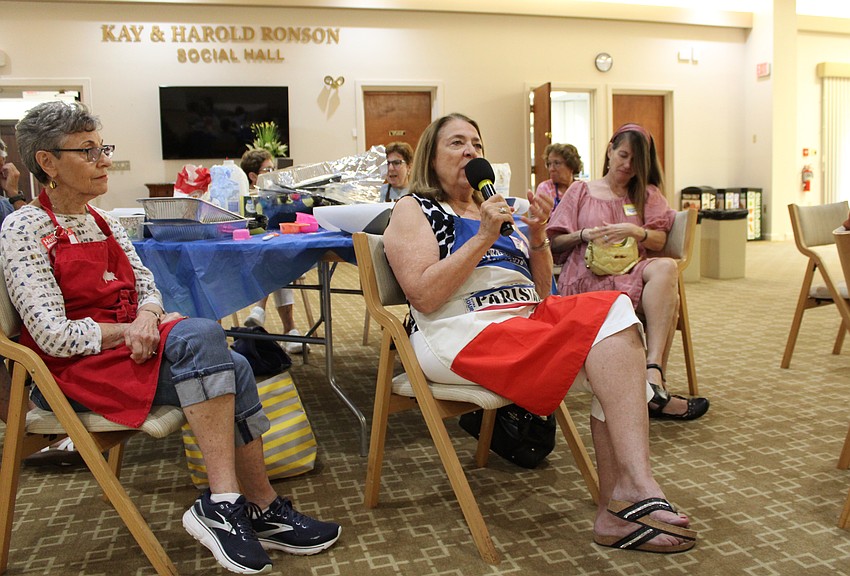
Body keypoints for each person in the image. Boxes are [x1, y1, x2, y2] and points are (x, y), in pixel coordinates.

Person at [2, 101, 340, 574]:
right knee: (204, 335)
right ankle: (226, 504)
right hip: (68, 374)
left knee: (235, 364)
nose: (103, 160)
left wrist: (149, 316)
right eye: (88, 151)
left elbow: (147, 286)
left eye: (104, 148)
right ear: (47, 162)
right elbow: (53, 336)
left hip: (123, 354)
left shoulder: (103, 222)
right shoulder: (24, 228)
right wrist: (135, 327)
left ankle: (257, 505)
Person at [383, 113, 696, 554]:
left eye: (476, 142)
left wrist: (537, 237)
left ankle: (621, 500)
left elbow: (541, 288)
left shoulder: (497, 206)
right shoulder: (415, 208)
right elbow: (424, 295)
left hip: (523, 318)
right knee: (610, 335)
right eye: (457, 144)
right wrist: (484, 236)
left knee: (617, 313)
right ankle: (633, 491)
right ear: (431, 158)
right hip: (461, 328)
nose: (471, 151)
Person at [547, 123, 709, 421]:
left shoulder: (646, 194)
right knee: (655, 286)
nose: (627, 165)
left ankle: (653, 371)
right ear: (609, 150)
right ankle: (649, 395)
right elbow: (553, 242)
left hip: (631, 274)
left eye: (636, 161)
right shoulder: (581, 190)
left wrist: (637, 231)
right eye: (622, 155)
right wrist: (584, 234)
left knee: (666, 266)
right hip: (586, 278)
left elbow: (662, 242)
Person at [240, 148, 308, 355]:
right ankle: (290, 329)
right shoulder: (244, 198)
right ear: (253, 177)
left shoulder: (282, 195)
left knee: (276, 259)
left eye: (273, 168)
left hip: (280, 253)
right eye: (267, 169)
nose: (273, 173)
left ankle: (260, 309)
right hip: (251, 257)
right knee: (273, 260)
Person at [535, 143, 582, 210]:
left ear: (571, 166)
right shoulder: (545, 188)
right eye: (549, 164)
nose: (551, 169)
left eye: (557, 163)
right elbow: (540, 218)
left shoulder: (582, 189)